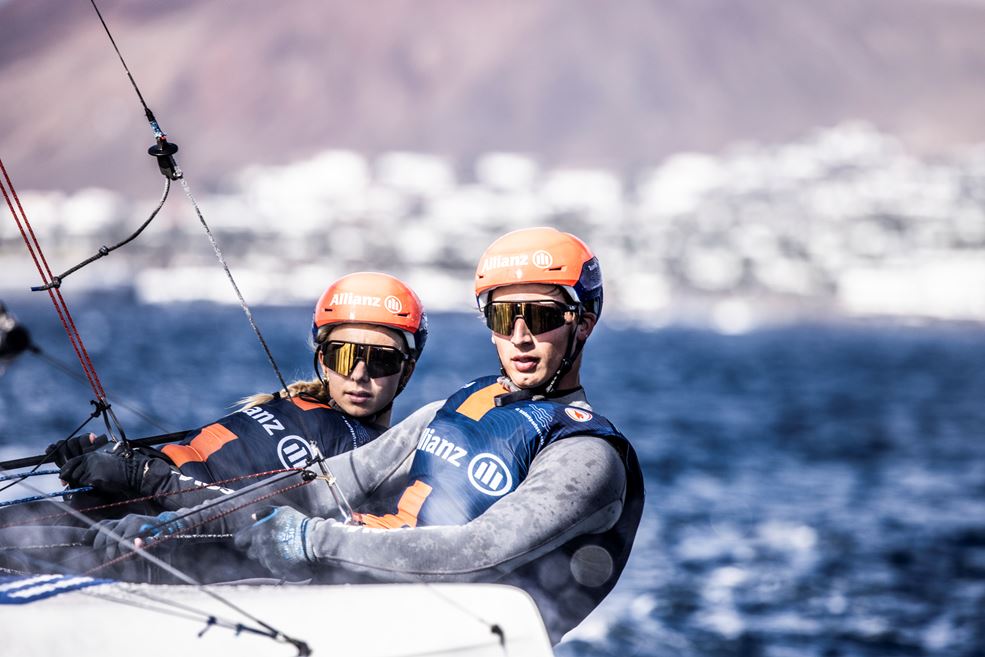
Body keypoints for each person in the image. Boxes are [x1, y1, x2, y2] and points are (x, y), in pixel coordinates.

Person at [152, 227, 645, 642]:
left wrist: (313, 540)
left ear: (583, 324)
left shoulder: (586, 455)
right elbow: (321, 487)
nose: (518, 336)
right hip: (350, 605)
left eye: (539, 317)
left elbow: (476, 554)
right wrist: (173, 512)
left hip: (441, 639)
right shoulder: (455, 406)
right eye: (501, 316)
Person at [0, 272, 427, 575]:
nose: (358, 374)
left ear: (406, 370)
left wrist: (148, 478)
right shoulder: (291, 403)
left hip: (155, 541)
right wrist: (116, 460)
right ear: (322, 358)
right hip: (114, 501)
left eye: (382, 360)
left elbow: (269, 521)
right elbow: (201, 455)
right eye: (342, 355)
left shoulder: (369, 461)